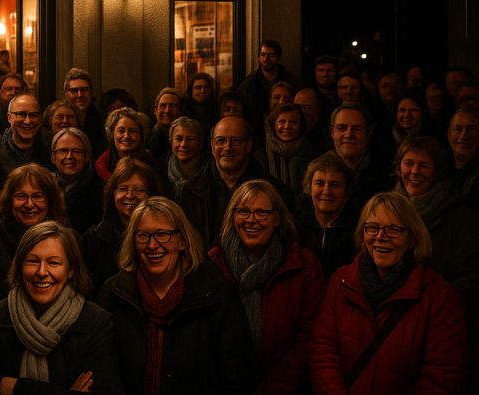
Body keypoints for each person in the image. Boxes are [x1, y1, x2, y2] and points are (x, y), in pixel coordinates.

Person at [309, 192, 468, 394]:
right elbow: (322, 352)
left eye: (393, 230)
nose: (380, 237)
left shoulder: (439, 297)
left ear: (412, 238)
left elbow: (442, 376)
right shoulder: (341, 282)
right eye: (372, 228)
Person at [98, 197, 254, 394]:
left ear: (182, 241)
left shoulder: (216, 293)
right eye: (143, 235)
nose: (152, 245)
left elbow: (234, 377)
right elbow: (103, 370)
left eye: (163, 234)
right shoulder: (114, 293)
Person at [0, 220, 123, 394]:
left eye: (53, 263)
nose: (42, 272)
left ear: (70, 270)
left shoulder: (97, 323)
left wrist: (16, 387)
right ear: (20, 267)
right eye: (33, 261)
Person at [207, 180, 325, 394]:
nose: (251, 220)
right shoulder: (214, 264)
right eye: (243, 212)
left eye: (262, 213)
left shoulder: (304, 265)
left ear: (277, 218)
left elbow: (307, 339)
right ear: (232, 217)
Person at [392, 134, 479, 378]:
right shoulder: (385, 210)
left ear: (437, 172)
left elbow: (469, 280)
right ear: (398, 169)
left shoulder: (460, 217)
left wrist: (425, 319)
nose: (415, 171)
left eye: (424, 165)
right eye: (409, 163)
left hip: (437, 334)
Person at [0, 164, 68, 330]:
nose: (29, 204)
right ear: (10, 200)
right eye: (21, 196)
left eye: (38, 196)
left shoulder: (68, 241)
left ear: (50, 200)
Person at [178, 116, 295, 249]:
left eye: (236, 141)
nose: (228, 147)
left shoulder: (277, 192)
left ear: (248, 145)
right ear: (212, 146)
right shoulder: (189, 190)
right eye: (221, 141)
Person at [82, 157, 160, 299]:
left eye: (138, 190)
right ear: (113, 193)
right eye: (123, 189)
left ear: (150, 194)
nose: (130, 196)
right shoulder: (93, 238)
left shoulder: (162, 236)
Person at [294, 154, 358, 279]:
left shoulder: (358, 232)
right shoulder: (295, 229)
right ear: (309, 188)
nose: (327, 191)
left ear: (346, 192)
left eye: (335, 185)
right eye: (319, 183)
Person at [326, 102, 392, 214]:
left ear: (368, 134)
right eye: (342, 128)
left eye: (357, 129)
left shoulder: (385, 175)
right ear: (332, 132)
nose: (349, 135)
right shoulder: (317, 172)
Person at [236, 40, 300, 131]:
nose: (266, 59)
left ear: (279, 59)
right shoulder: (248, 86)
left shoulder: (292, 83)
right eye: (263, 55)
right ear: (258, 57)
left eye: (271, 55)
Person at [53, 127, 103, 235]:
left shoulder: (101, 193)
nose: (69, 156)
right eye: (63, 151)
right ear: (53, 157)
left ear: (86, 157)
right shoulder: (44, 187)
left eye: (76, 151)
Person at [253, 102, 313, 192]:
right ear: (273, 124)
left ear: (301, 126)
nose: (287, 126)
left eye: (293, 122)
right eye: (282, 121)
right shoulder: (260, 156)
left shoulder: (311, 154)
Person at [94, 107, 157, 184]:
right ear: (112, 134)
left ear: (141, 136)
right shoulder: (102, 165)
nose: (126, 136)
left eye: (133, 131)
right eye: (121, 131)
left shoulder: (149, 159)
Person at [0, 94, 54, 172]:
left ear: (40, 118)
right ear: (9, 117)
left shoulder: (52, 148)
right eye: (21, 114)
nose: (27, 121)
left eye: (33, 115)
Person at [64, 68, 106, 160]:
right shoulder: (60, 120)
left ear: (91, 92)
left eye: (84, 90)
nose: (80, 95)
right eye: (74, 90)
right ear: (66, 93)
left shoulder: (102, 120)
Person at [145, 88, 184, 166]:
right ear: (156, 110)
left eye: (172, 106)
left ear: (181, 110)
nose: (167, 111)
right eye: (163, 106)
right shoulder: (145, 137)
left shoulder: (187, 137)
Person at [165, 116, 204, 193]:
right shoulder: (160, 171)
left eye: (190, 139)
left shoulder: (210, 172)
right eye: (179, 139)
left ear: (200, 144)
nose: (184, 144)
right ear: (171, 142)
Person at [449, 108, 479, 200]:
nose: (463, 135)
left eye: (471, 129)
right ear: (449, 135)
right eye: (457, 129)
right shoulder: (439, 168)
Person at [293, 87, 331, 159]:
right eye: (298, 107)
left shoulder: (326, 135)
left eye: (307, 107)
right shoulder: (290, 130)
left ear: (318, 106)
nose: (302, 111)